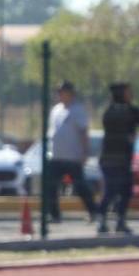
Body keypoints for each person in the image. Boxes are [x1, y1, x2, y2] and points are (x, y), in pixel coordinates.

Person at [43, 80, 94, 224]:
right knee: (51, 186)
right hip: (56, 156)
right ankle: (54, 215)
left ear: (70, 93)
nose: (60, 94)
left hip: (73, 157)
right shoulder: (56, 110)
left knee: (80, 186)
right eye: (59, 92)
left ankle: (93, 211)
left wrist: (85, 152)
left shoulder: (77, 110)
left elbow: (84, 132)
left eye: (63, 91)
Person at [98, 82, 139, 234]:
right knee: (114, 191)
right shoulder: (122, 111)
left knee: (121, 191)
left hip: (117, 159)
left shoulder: (110, 111)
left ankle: (116, 221)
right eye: (128, 92)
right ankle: (105, 220)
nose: (131, 94)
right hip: (115, 159)